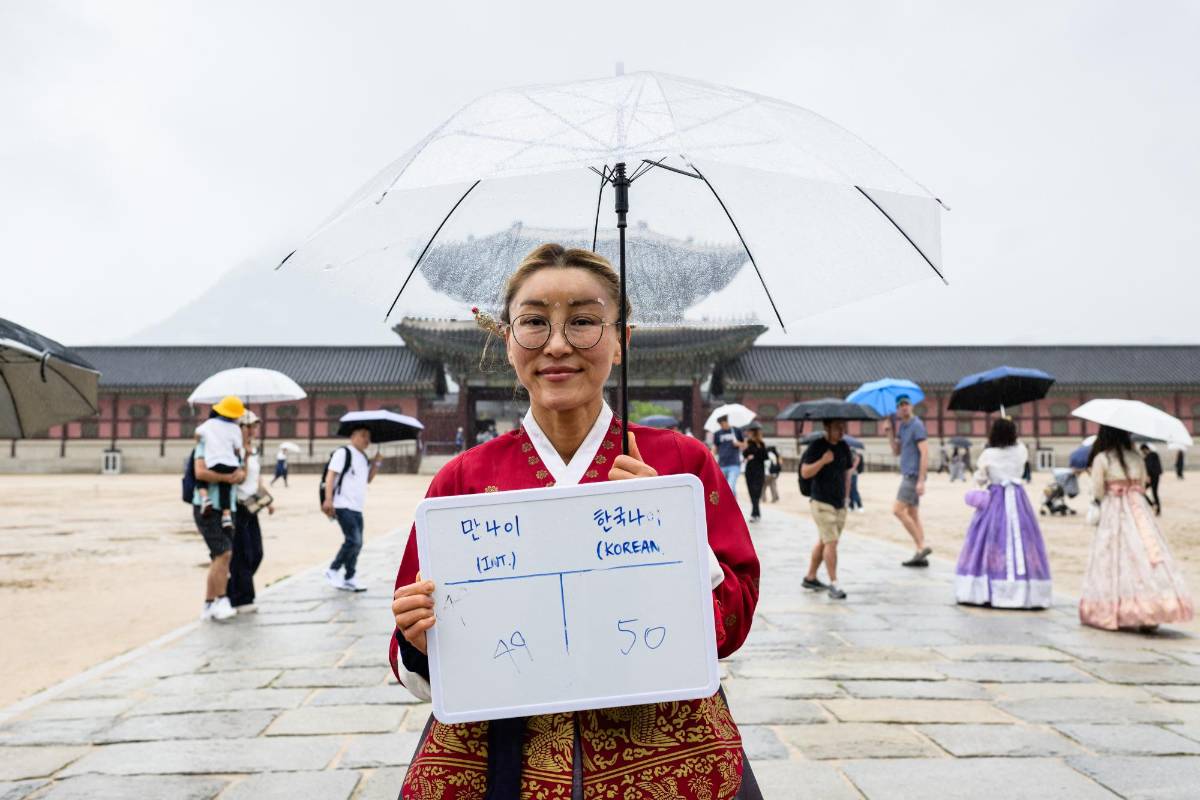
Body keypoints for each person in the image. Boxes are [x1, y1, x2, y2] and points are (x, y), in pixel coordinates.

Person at [389, 244, 761, 799]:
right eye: (534, 322)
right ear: (508, 340)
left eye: (584, 321)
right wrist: (415, 633)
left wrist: (671, 534)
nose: (558, 345)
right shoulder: (464, 479)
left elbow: (732, 626)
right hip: (499, 754)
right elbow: (414, 653)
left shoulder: (680, 464)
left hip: (664, 749)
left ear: (621, 340)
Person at [1080, 425, 1194, 631]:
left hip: (1114, 509)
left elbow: (1097, 490)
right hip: (1138, 508)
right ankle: (1150, 607)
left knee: (1112, 557)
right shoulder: (1135, 457)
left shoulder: (1102, 458)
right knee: (1145, 552)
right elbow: (1143, 482)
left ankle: (1116, 608)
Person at [954, 418, 1052, 609]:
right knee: (1023, 537)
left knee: (991, 539)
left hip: (996, 498)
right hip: (1017, 498)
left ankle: (987, 588)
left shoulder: (988, 454)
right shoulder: (1021, 450)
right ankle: (1026, 589)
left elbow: (980, 479)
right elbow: (1022, 467)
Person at [322, 425, 383, 592]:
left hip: (357, 506)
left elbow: (367, 479)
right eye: (363, 435)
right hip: (342, 504)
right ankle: (333, 569)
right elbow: (330, 475)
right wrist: (328, 499)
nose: (367, 440)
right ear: (353, 436)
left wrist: (376, 462)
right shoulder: (343, 453)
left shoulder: (363, 457)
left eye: (368, 436)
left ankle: (349, 577)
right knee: (353, 540)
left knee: (358, 543)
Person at [191, 435, 245, 621]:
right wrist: (225, 477)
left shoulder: (233, 446)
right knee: (224, 553)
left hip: (229, 507)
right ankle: (221, 600)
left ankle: (208, 604)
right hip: (207, 507)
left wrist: (239, 475)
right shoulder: (204, 444)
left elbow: (241, 474)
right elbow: (199, 473)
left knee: (219, 558)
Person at [800, 419, 854, 600]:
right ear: (827, 428)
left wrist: (847, 498)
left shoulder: (844, 446)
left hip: (839, 503)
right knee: (831, 541)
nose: (841, 431)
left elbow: (847, 473)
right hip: (821, 502)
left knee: (825, 541)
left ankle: (810, 577)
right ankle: (834, 583)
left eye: (843, 427)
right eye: (838, 427)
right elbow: (805, 472)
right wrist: (823, 460)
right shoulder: (817, 446)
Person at [229, 411, 272, 611]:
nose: (253, 430)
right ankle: (241, 598)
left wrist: (267, 498)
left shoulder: (253, 450)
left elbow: (256, 478)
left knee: (257, 552)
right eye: (249, 426)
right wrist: (244, 458)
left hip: (252, 506)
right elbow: (239, 478)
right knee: (243, 553)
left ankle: (232, 590)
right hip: (238, 505)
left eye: (255, 426)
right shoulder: (233, 450)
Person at [885, 395, 931, 567]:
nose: (903, 407)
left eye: (906, 404)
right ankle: (921, 554)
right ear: (897, 409)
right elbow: (896, 451)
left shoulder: (917, 425)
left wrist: (921, 480)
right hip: (907, 473)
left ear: (911, 406)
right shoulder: (903, 427)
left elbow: (925, 453)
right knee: (913, 514)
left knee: (897, 510)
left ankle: (922, 545)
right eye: (900, 405)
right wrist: (889, 433)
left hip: (913, 475)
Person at [194, 396, 247, 531]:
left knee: (202, 477)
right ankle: (226, 515)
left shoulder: (209, 424)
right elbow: (237, 446)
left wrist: (201, 440)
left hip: (213, 461)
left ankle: (205, 498)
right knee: (226, 487)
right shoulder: (235, 428)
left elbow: (197, 433)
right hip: (230, 463)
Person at [711, 415, 745, 497]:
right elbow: (715, 447)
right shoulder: (717, 433)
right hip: (722, 464)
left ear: (727, 422)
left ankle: (732, 507)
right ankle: (733, 505)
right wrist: (710, 456)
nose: (722, 426)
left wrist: (738, 444)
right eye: (720, 425)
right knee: (723, 488)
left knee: (730, 486)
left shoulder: (736, 431)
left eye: (723, 424)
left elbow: (745, 445)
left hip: (734, 464)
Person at [742, 423, 767, 521]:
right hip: (750, 470)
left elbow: (765, 456)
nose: (748, 433)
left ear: (754, 432)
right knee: (752, 491)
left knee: (757, 491)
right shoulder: (748, 442)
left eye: (750, 431)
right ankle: (756, 513)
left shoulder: (761, 444)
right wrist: (746, 450)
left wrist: (754, 455)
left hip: (759, 470)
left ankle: (755, 513)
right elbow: (745, 454)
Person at [1141, 443, 1163, 515]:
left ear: (1145, 449)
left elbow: (1149, 467)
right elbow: (1159, 467)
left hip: (1151, 477)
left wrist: (1148, 476)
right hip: (1156, 476)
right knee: (1155, 492)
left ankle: (1152, 504)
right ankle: (1158, 509)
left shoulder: (1148, 457)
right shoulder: (1155, 454)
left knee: (1142, 491)